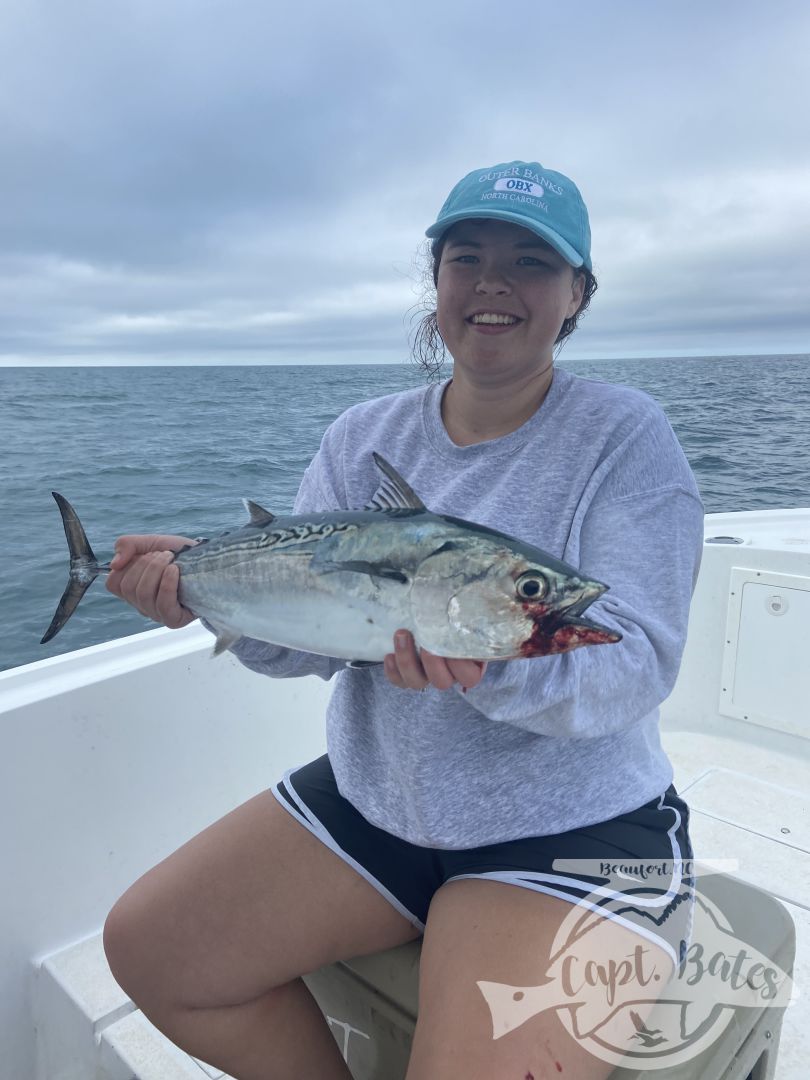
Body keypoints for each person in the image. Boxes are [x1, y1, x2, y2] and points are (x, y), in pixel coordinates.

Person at [102, 160, 705, 1080]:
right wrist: (201, 593)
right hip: (381, 799)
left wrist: (495, 660)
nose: (495, 281)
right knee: (151, 950)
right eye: (468, 257)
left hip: (575, 828)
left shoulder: (623, 436)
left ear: (577, 293)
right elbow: (306, 642)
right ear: (437, 283)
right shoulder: (362, 435)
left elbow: (638, 662)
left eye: (533, 262)